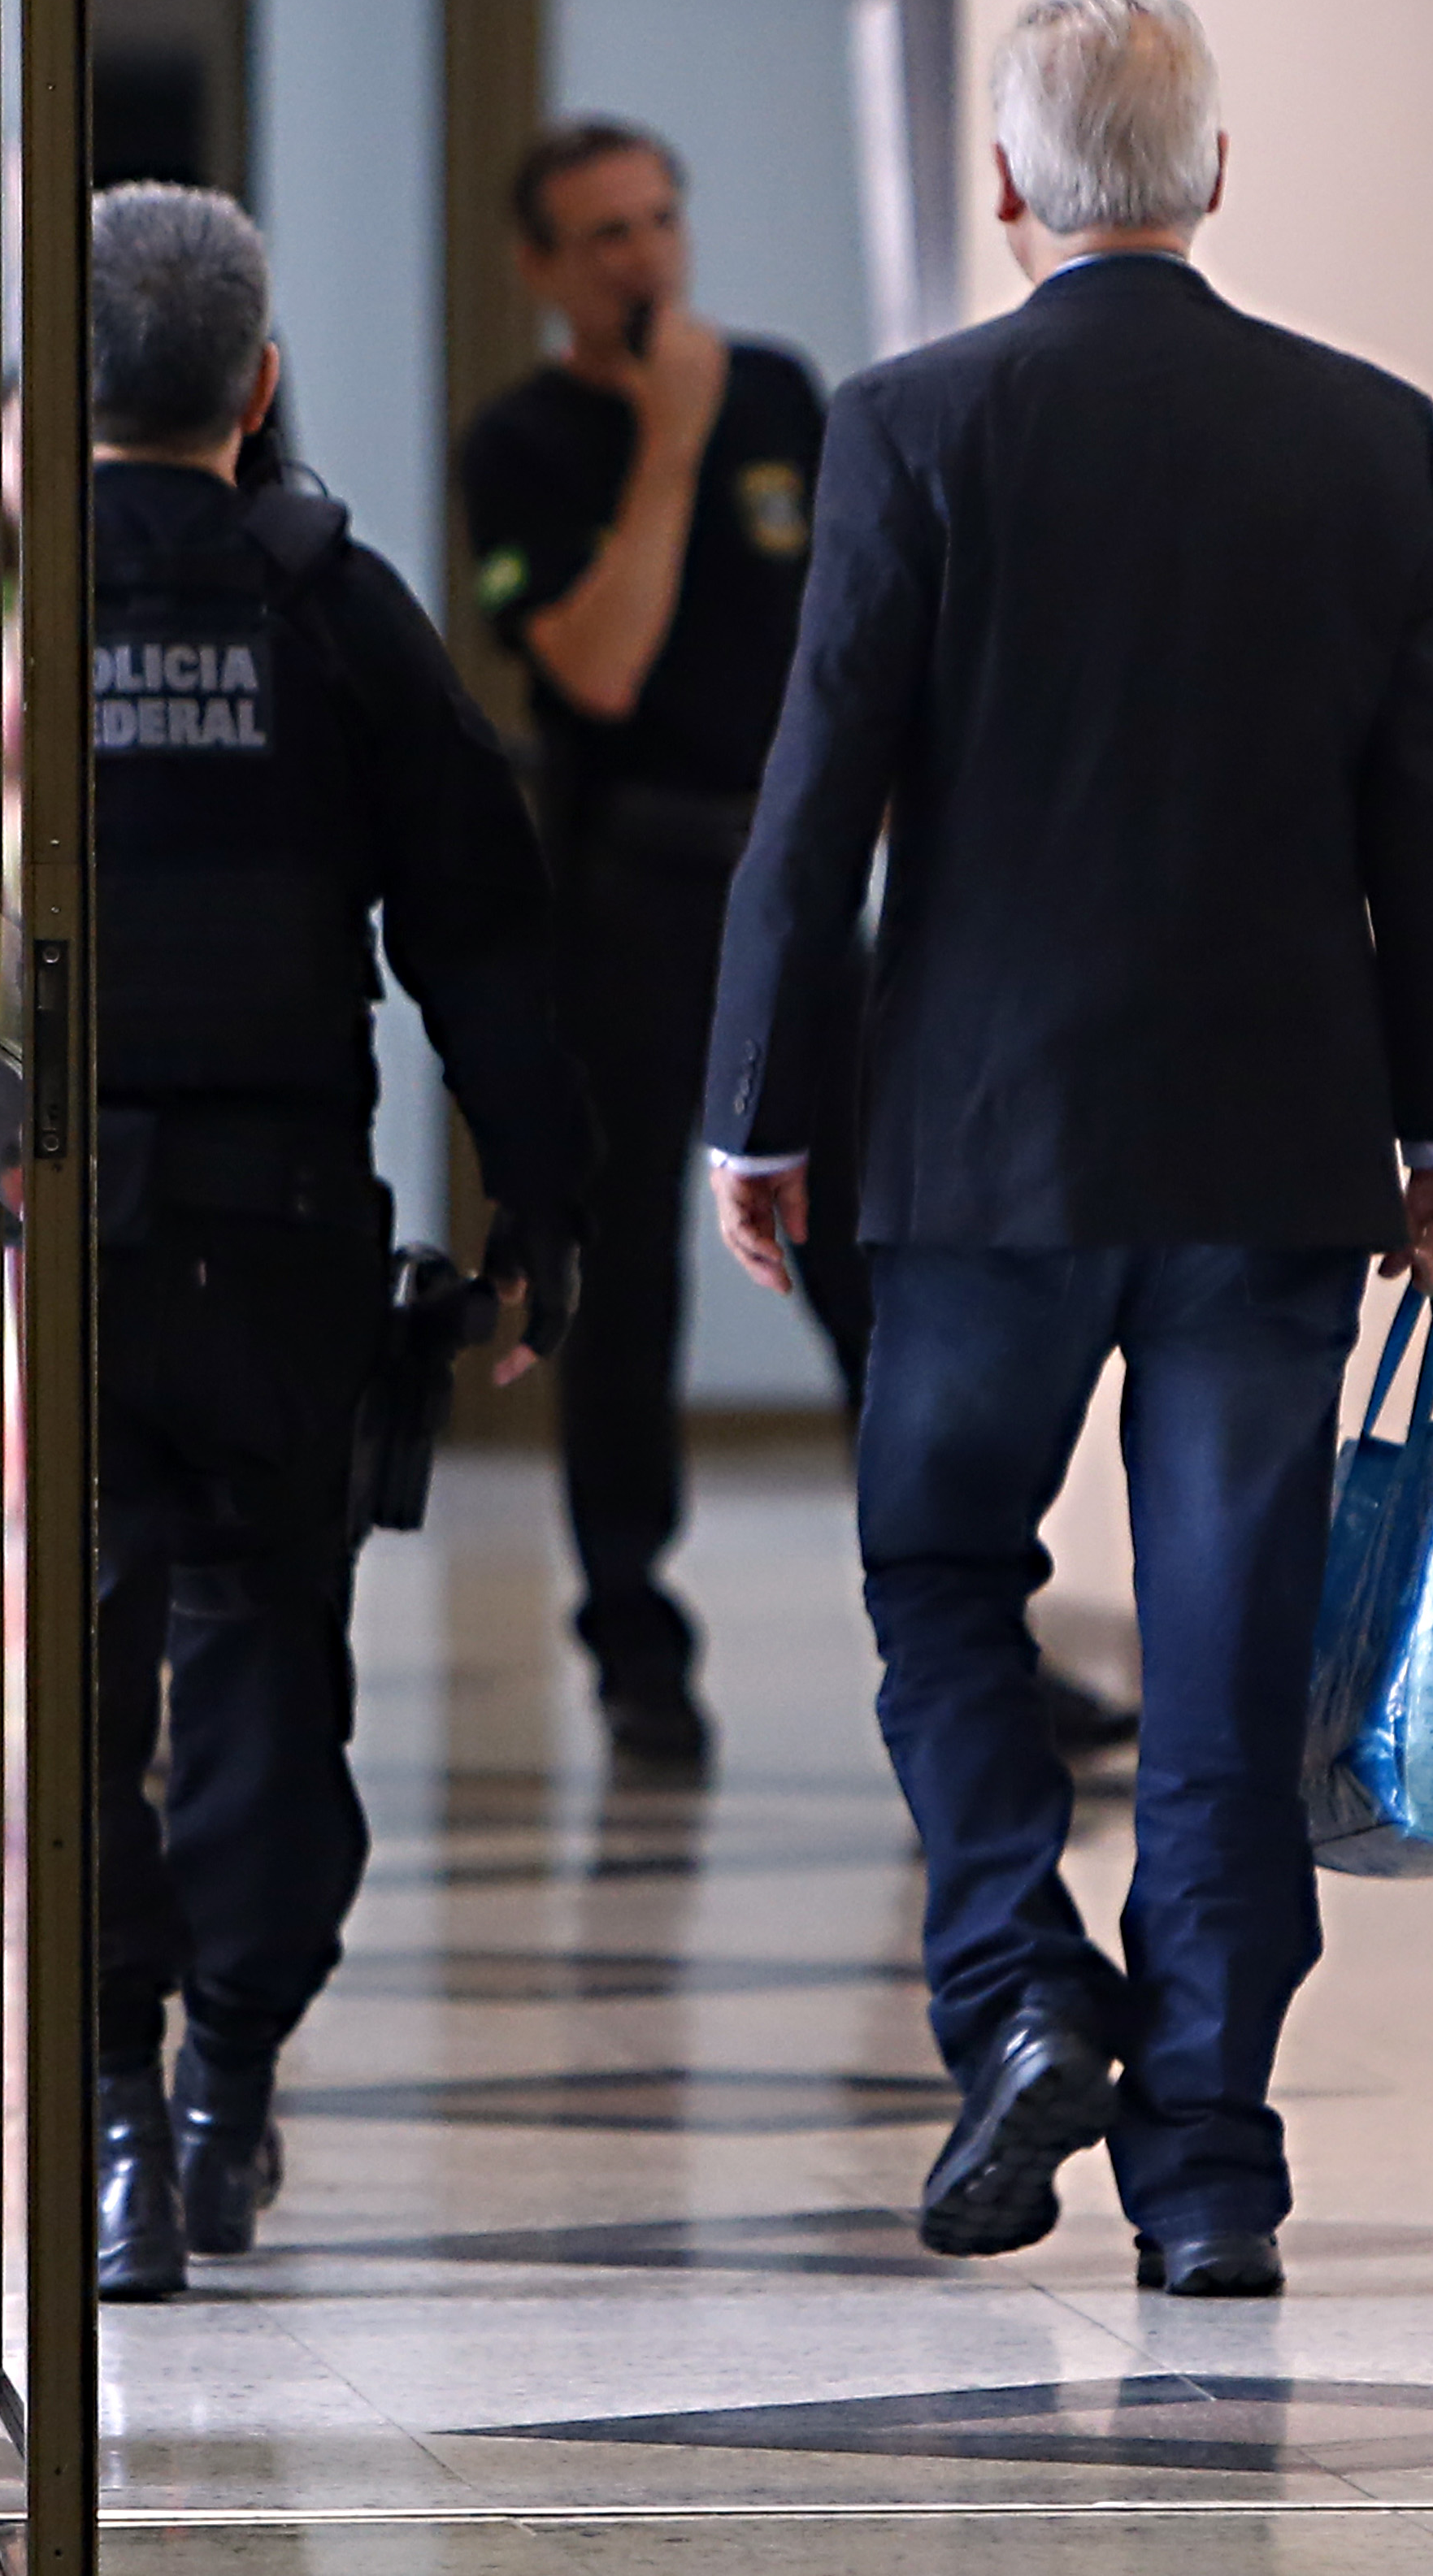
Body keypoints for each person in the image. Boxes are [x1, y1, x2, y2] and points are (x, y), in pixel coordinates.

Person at [705, 0, 1433, 2301]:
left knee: (942, 1568)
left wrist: (763, 1107)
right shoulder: (1369, 438)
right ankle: (1209, 2178)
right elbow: (1426, 823)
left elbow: (814, 808)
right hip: (1274, 1148)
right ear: (1213, 177)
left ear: (1004, 187)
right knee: (1232, 1659)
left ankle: (1021, 1993)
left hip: (977, 1150)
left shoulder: (911, 427)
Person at [0, 185, 593, 2303]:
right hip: (278, 1253)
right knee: (264, 1676)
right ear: (261, 385)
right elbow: (485, 931)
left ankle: (116, 2110)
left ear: (44, 392)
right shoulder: (343, 611)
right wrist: (542, 1213)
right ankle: (222, 2078)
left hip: (25, 1246)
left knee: (45, 1688)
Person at [460, 117, 897, 1776]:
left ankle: (959, 1632)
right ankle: (635, 1644)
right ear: (543, 268)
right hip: (626, 904)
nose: (643, 257)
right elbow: (603, 673)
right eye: (601, 236)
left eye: (659, 221)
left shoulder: (787, 395)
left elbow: (855, 641)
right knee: (625, 1288)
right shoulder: (523, 446)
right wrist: (670, 445)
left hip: (791, 898)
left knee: (876, 1273)